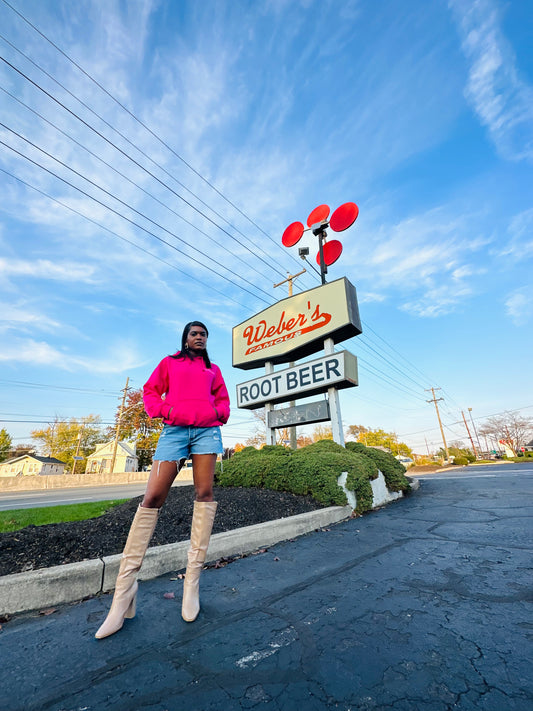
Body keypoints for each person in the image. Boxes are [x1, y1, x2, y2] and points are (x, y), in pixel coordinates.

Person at [95, 321, 230, 639]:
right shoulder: (169, 363)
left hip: (207, 433)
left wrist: (217, 413)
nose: (200, 337)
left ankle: (192, 584)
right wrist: (166, 411)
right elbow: (150, 392)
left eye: (204, 334)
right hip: (174, 432)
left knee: (205, 492)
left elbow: (223, 400)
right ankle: (124, 592)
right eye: (194, 333)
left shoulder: (214, 369)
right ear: (185, 338)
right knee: (152, 497)